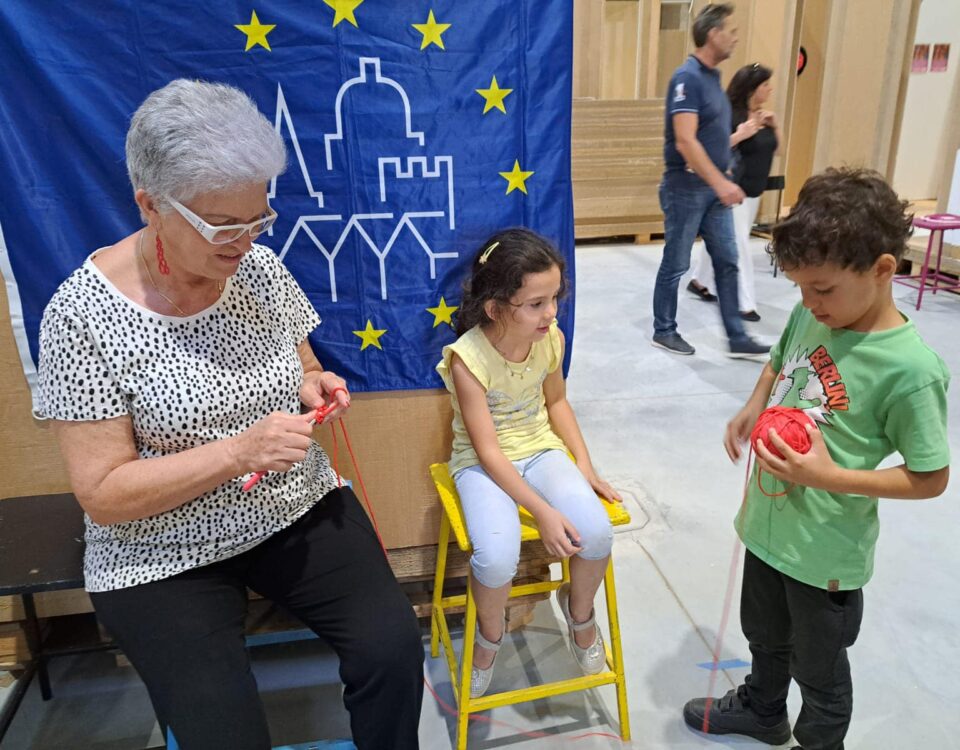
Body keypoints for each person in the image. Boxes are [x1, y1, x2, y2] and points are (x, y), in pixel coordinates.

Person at [35, 79, 423, 750]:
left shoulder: (258, 270)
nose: (244, 242)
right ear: (150, 205)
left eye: (259, 220)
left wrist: (313, 384)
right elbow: (102, 495)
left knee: (391, 651)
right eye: (223, 226)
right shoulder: (80, 317)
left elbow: (303, 365)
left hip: (290, 506)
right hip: (159, 551)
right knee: (224, 735)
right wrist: (238, 451)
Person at [683, 168, 950, 750]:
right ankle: (762, 710)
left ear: (883, 270)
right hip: (767, 524)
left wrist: (827, 477)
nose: (808, 302)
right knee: (764, 633)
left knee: (820, 665)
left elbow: (931, 478)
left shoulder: (909, 370)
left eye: (822, 289)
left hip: (825, 548)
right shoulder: (816, 313)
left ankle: (820, 740)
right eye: (799, 287)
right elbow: (781, 359)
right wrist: (753, 405)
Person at [435, 228, 620, 698]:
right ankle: (488, 639)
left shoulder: (550, 338)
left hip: (540, 449)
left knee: (596, 533)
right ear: (496, 307)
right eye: (536, 303)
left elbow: (557, 402)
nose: (551, 312)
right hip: (482, 464)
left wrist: (584, 464)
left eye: (554, 298)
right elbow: (488, 451)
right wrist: (542, 509)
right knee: (496, 558)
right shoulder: (467, 358)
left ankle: (580, 613)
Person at [652, 2, 769, 359]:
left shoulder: (713, 80)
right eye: (731, 32)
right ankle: (664, 330)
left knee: (728, 260)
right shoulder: (686, 78)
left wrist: (724, 171)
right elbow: (686, 140)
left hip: (713, 190)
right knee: (677, 262)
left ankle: (736, 335)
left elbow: (712, 137)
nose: (735, 39)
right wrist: (720, 182)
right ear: (713, 34)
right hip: (686, 189)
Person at [688, 63, 779, 322]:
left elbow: (776, 149)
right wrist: (740, 135)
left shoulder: (762, 116)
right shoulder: (728, 115)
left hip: (753, 191)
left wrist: (775, 125)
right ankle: (744, 302)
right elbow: (707, 149)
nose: (770, 89)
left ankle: (699, 281)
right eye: (765, 85)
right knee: (738, 244)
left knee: (724, 238)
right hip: (731, 189)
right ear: (752, 88)